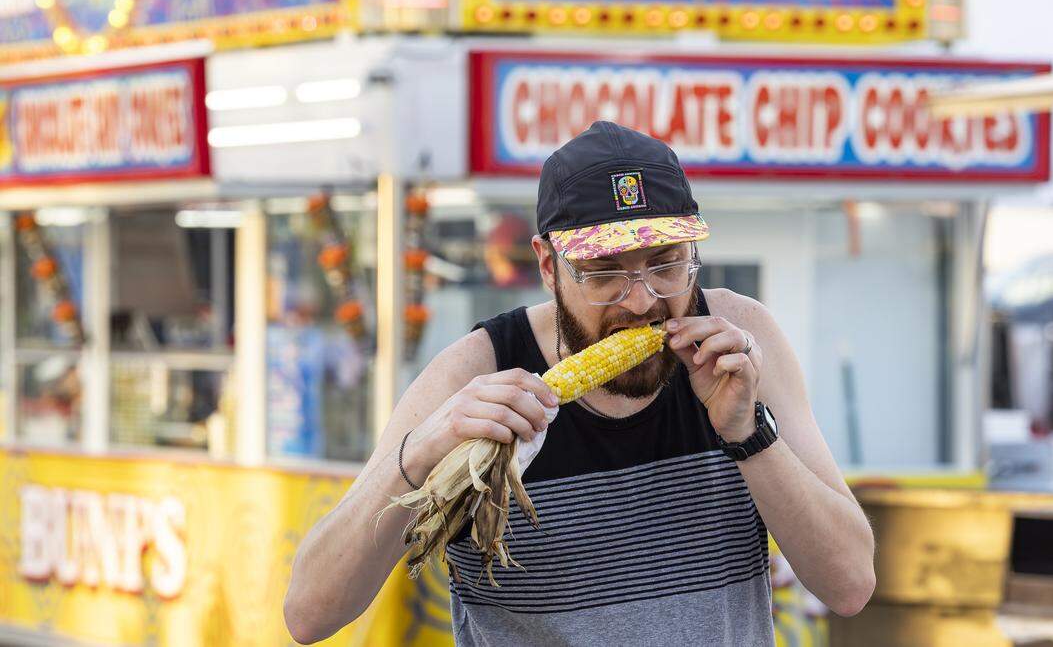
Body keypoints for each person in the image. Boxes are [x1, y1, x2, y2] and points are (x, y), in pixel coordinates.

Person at [284, 121, 875, 646]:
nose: (642, 300)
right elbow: (309, 615)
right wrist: (425, 447)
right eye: (604, 273)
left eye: (666, 263)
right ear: (547, 266)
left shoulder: (741, 340)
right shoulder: (475, 372)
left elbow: (849, 585)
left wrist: (749, 436)